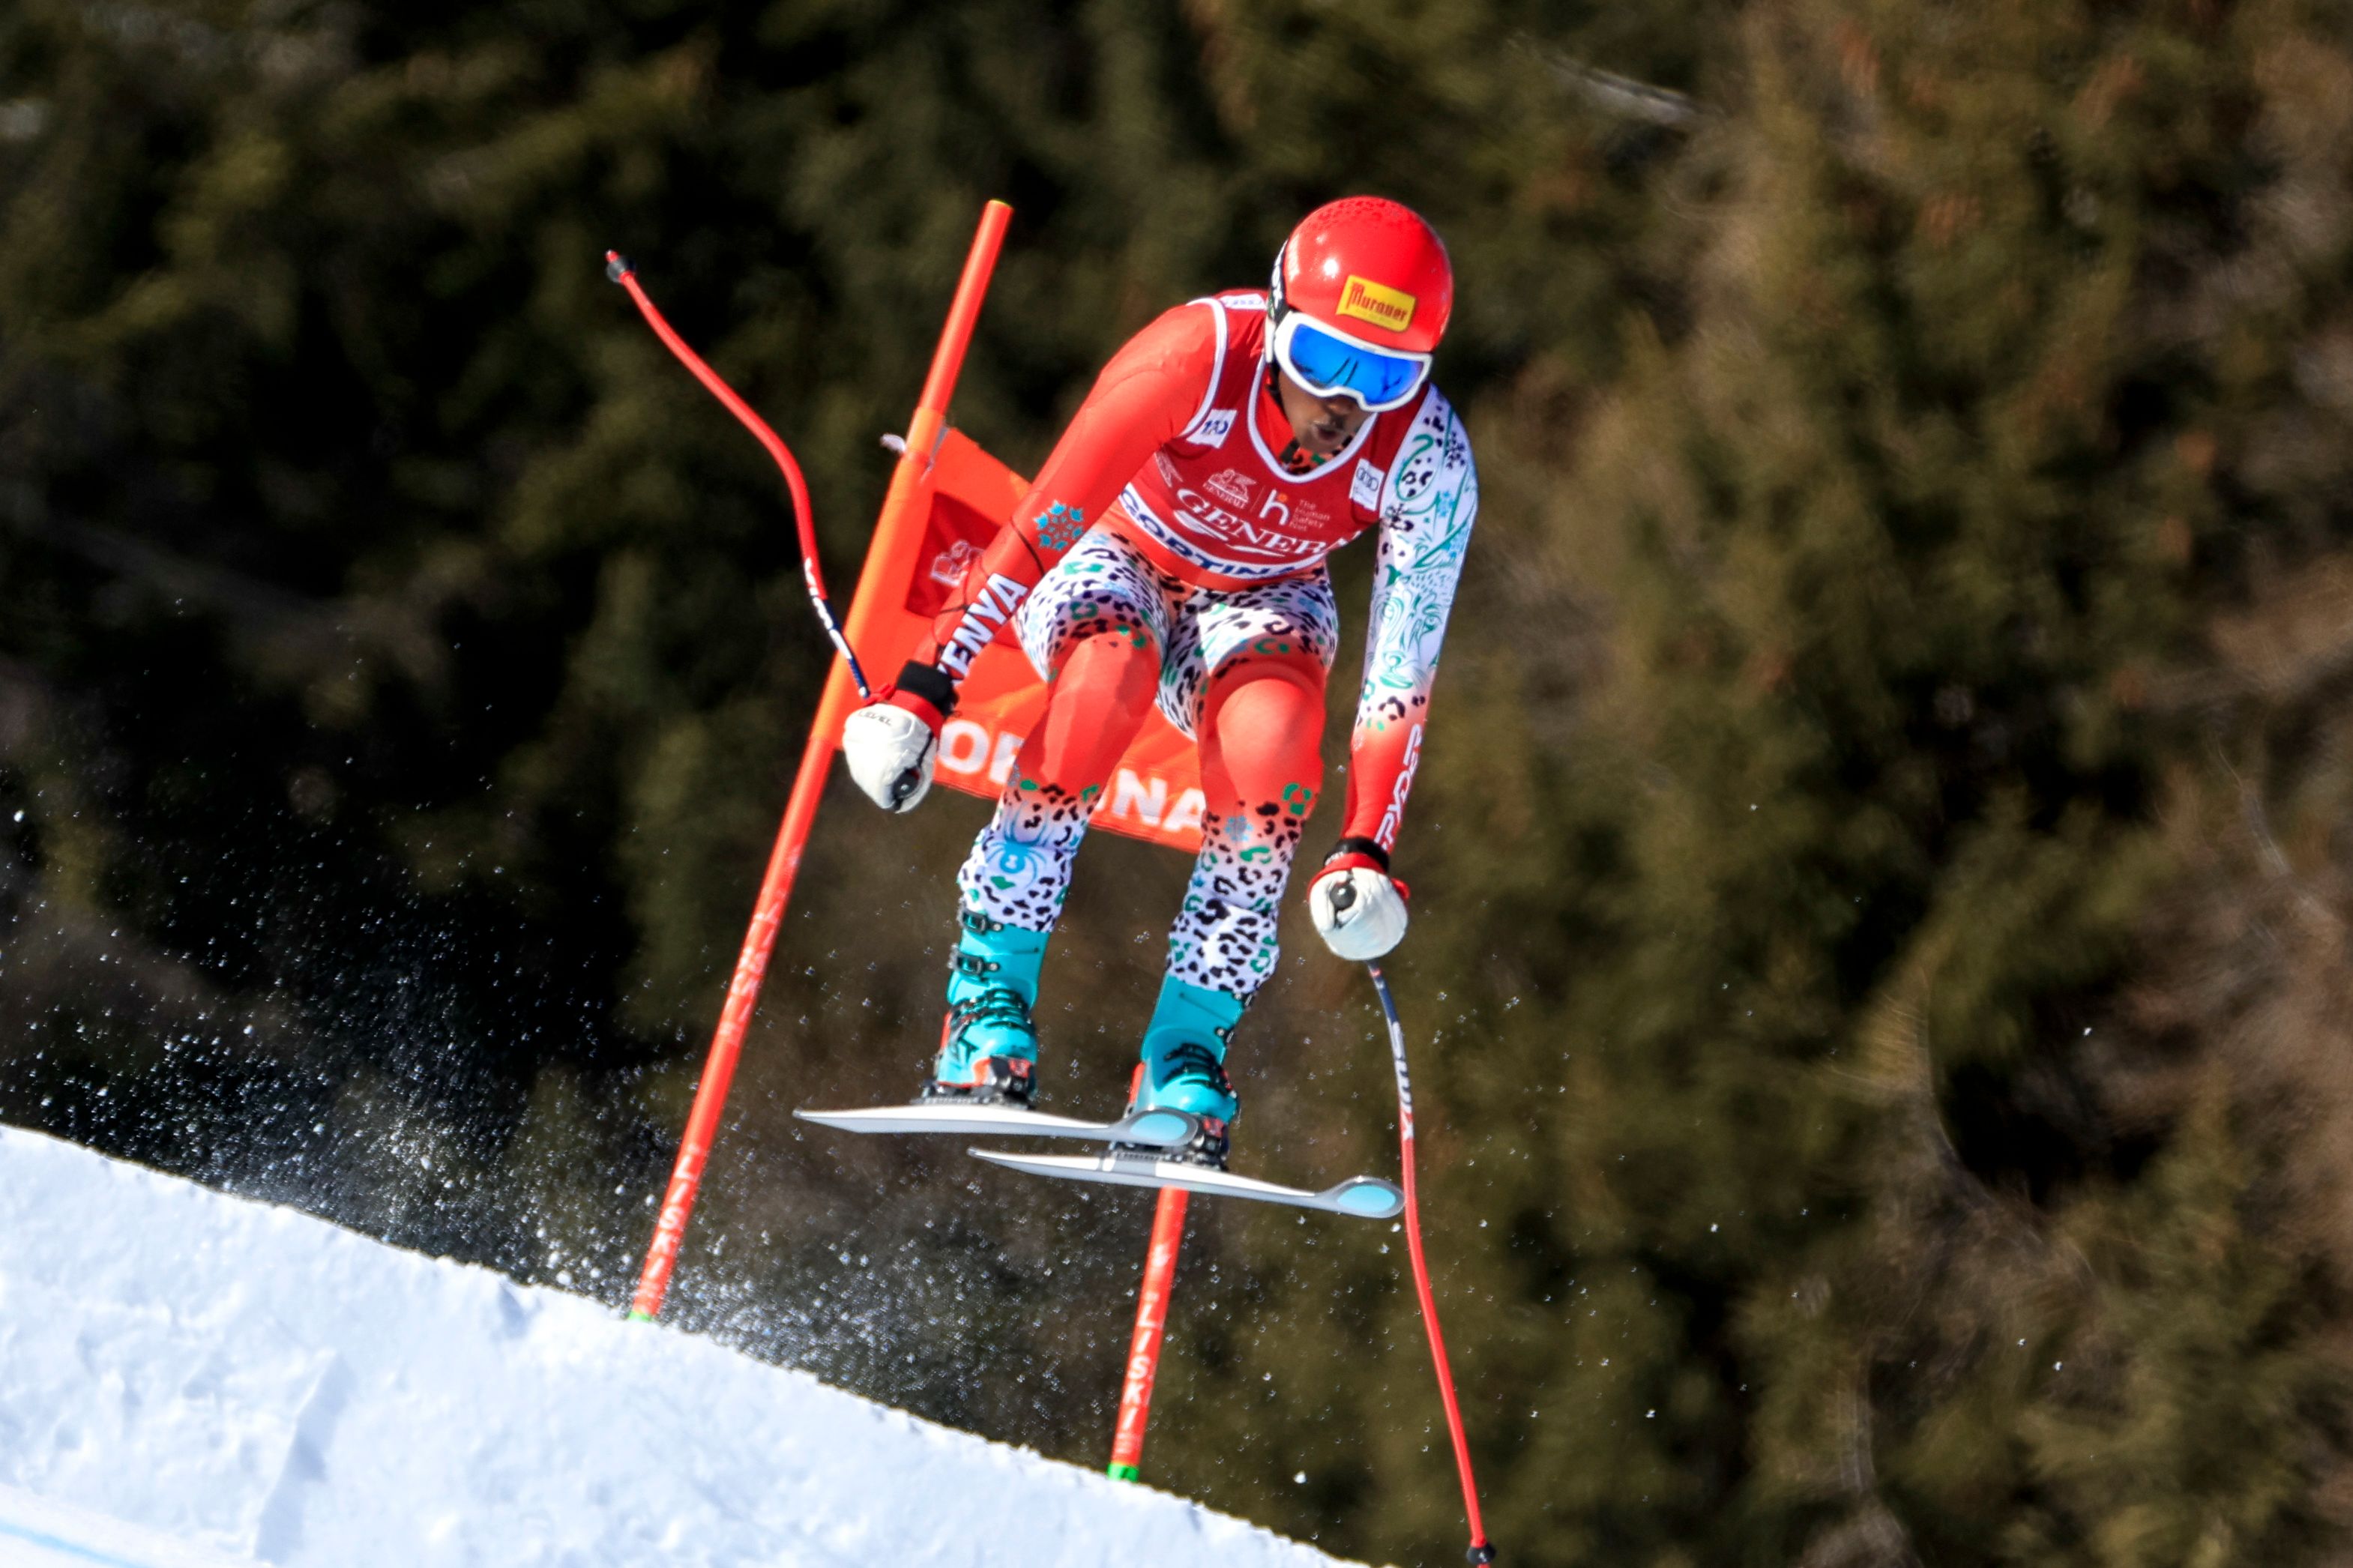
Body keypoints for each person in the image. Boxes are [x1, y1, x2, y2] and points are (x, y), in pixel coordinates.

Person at [840, 196, 1477, 1169]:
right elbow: (1043, 523)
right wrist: (929, 686)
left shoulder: (1428, 460)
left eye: (1386, 377)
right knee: (1106, 673)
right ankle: (987, 998)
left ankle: (1188, 1052)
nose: (1345, 403)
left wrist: (1364, 848)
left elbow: (1399, 677)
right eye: (1325, 362)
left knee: (1274, 752)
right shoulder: (1195, 355)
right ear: (1274, 325)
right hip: (1118, 554)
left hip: (1266, 598)